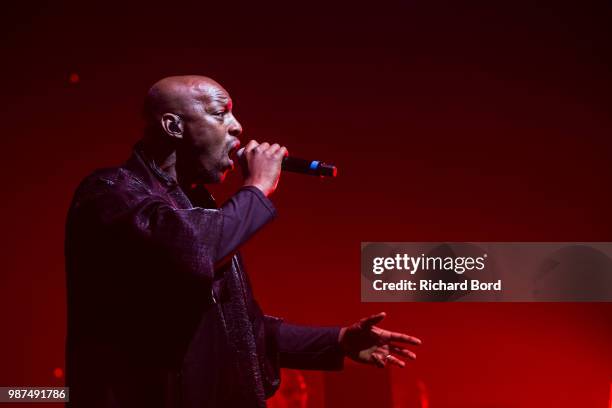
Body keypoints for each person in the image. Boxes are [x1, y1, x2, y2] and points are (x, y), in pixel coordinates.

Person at [64, 75, 421, 408]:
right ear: (173, 126)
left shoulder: (199, 209)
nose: (237, 127)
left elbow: (244, 331)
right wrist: (256, 189)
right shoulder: (113, 194)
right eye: (221, 114)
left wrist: (339, 340)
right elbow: (195, 252)